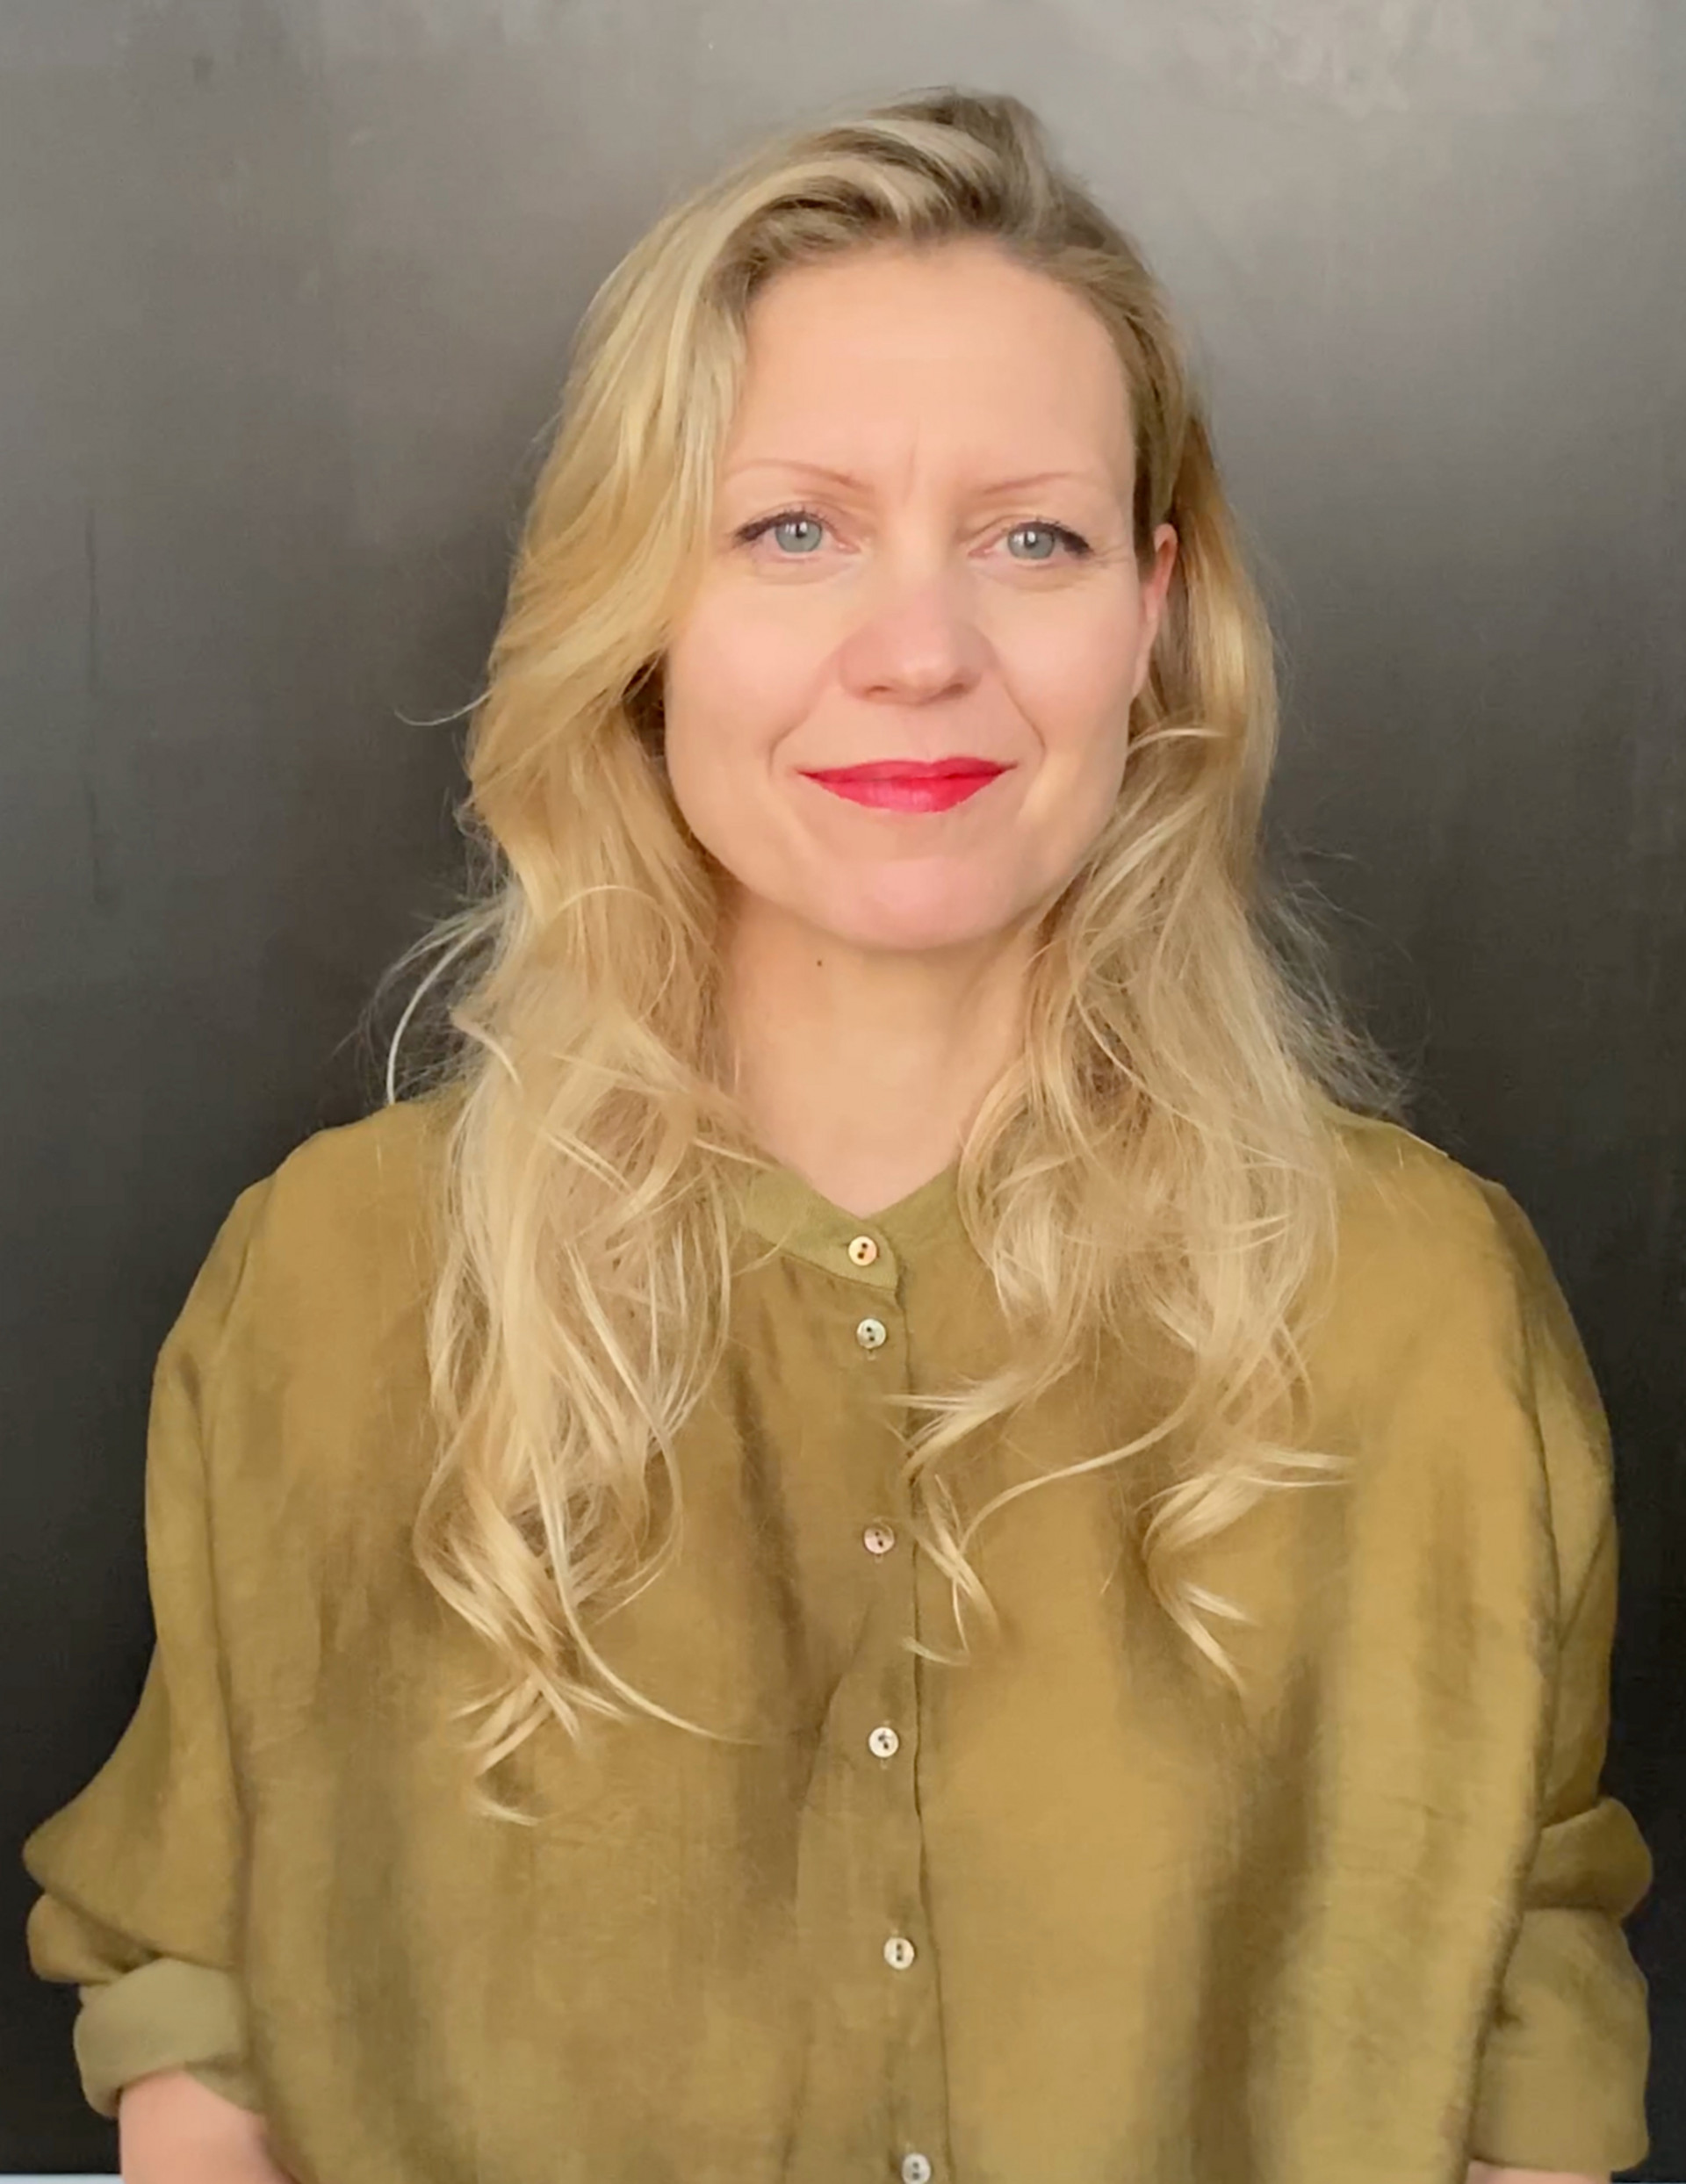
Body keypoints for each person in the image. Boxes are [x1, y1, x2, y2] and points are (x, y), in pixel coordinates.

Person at [21, 85, 1650, 2184]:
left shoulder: (1426, 1309)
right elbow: (202, 2009)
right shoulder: (330, 1288)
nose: (920, 653)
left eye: (1032, 537)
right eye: (794, 529)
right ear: (644, 609)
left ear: (1151, 613)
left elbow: (1528, 2009)